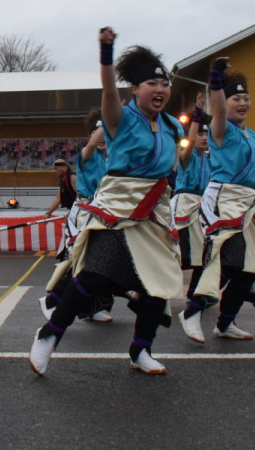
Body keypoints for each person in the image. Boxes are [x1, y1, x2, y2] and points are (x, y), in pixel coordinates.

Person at [29, 29, 183, 376]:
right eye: (151, 84)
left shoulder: (174, 126)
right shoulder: (122, 117)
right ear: (135, 89)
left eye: (164, 84)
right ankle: (49, 334)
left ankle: (141, 349)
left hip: (154, 211)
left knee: (156, 287)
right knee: (94, 275)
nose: (159, 90)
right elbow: (108, 91)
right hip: (118, 207)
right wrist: (106, 54)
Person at [177, 57, 255, 342]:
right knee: (227, 260)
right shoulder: (221, 130)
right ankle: (192, 311)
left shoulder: (253, 136)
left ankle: (225, 323)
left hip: (248, 203)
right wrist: (215, 79)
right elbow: (217, 110)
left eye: (246, 98)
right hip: (223, 199)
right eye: (235, 98)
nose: (242, 102)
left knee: (249, 268)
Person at [41, 108, 114, 323]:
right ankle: (53, 300)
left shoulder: (112, 158)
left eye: (105, 132)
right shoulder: (85, 154)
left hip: (107, 213)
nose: (100, 136)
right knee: (81, 261)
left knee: (105, 262)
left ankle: (97, 306)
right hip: (85, 212)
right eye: (96, 132)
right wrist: (107, 122)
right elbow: (92, 145)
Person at [173, 93, 211, 341]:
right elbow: (187, 143)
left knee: (205, 257)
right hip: (184, 208)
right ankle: (150, 290)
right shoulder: (184, 157)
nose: (204, 138)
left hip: (205, 210)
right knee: (180, 255)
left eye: (207, 134)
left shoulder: (212, 158)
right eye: (200, 133)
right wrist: (196, 114)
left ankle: (196, 294)